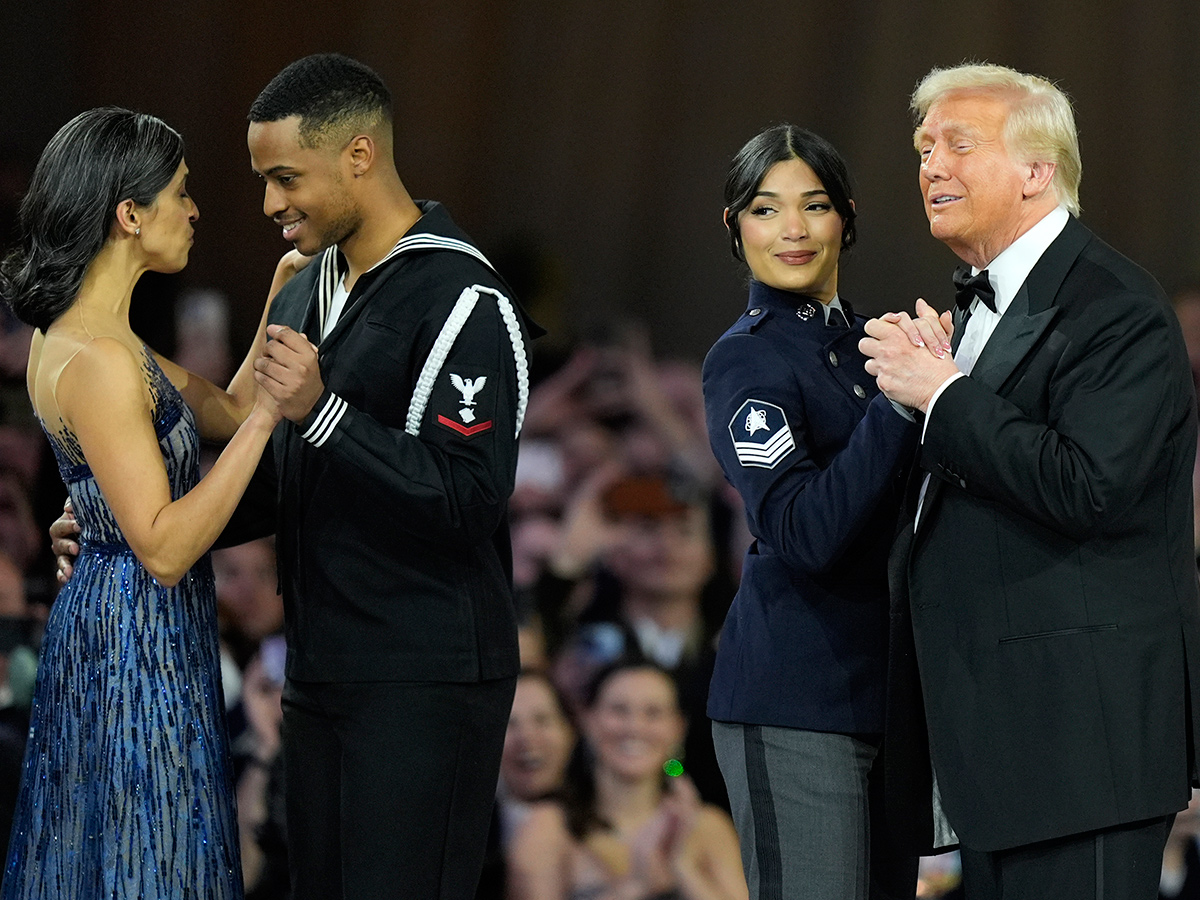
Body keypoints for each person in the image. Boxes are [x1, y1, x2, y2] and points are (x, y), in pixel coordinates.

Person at [859, 62, 1200, 899]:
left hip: (1083, 747)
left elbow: (1088, 485)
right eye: (924, 146)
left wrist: (941, 394)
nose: (930, 165)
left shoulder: (1116, 306)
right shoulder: (980, 308)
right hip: (1004, 749)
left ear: (1036, 172)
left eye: (958, 145)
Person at [0, 107, 292, 898]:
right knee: (149, 864)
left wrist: (279, 293)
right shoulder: (98, 359)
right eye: (181, 192)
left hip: (122, 620)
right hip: (136, 639)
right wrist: (270, 417)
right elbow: (164, 547)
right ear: (128, 214)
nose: (195, 210)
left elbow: (221, 407)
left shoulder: (101, 340)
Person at [701, 124, 941, 900]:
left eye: (814, 206)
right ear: (734, 226)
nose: (794, 230)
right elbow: (803, 531)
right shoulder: (746, 357)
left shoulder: (875, 348)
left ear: (849, 217)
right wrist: (903, 408)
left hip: (886, 700)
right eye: (766, 210)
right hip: (794, 699)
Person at [507, 661, 747, 900]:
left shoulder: (708, 826)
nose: (634, 727)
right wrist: (637, 886)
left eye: (653, 713)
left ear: (678, 728)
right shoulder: (547, 827)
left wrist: (681, 866)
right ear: (588, 720)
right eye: (619, 710)